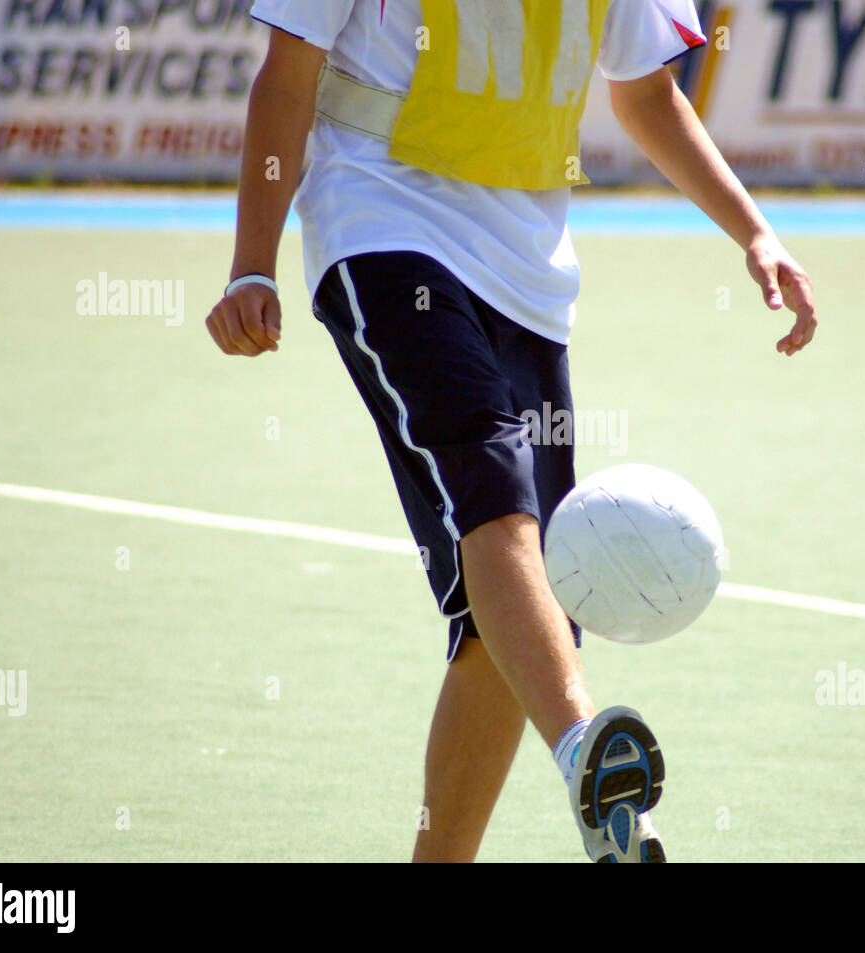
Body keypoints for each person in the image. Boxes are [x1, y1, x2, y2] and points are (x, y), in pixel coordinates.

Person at [203, 0, 817, 863]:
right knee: (494, 489)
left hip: (529, 272)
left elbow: (647, 97)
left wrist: (754, 231)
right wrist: (251, 264)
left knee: (516, 613)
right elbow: (287, 75)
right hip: (381, 222)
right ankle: (584, 755)